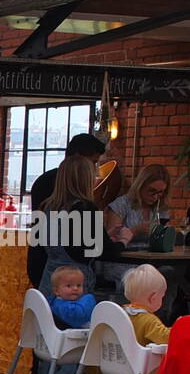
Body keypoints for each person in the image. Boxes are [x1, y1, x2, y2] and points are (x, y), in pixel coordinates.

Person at [28, 133, 107, 289]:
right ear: (78, 158)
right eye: (93, 162)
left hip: (43, 263)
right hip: (62, 270)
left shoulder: (45, 187)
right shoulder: (76, 203)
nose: (94, 170)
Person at [36, 155, 119, 296]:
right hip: (74, 284)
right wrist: (124, 241)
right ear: (86, 180)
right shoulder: (85, 208)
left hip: (50, 280)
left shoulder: (48, 207)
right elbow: (105, 250)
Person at [102, 164, 180, 313]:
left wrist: (164, 234)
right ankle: (134, 317)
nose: (155, 196)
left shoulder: (160, 208)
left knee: (169, 273)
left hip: (150, 260)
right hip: (122, 259)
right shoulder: (121, 204)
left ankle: (161, 317)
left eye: (160, 192)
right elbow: (112, 237)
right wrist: (136, 230)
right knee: (141, 280)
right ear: (140, 186)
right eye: (151, 191)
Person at [28, 266, 92, 374]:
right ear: (56, 291)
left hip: (49, 347)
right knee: (71, 371)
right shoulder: (65, 306)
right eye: (69, 286)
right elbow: (78, 315)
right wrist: (90, 298)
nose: (75, 289)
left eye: (79, 285)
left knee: (48, 373)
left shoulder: (51, 302)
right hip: (67, 349)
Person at [121, 264, 184, 374]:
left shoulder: (121, 312)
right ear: (153, 297)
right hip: (140, 367)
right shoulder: (148, 319)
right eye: (162, 297)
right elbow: (165, 338)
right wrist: (179, 327)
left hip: (118, 362)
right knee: (179, 363)